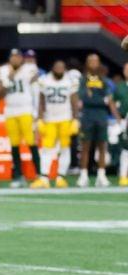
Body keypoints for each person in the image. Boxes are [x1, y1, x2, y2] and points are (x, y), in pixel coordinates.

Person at [0, 49, 41, 188]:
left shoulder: (29, 68)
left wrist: (36, 111)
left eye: (17, 57)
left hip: (25, 109)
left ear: (21, 58)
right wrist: (9, 78)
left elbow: (35, 88)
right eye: (13, 57)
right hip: (10, 110)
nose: (15, 59)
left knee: (31, 142)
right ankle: (18, 176)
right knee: (14, 145)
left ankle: (39, 175)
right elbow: (0, 94)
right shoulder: (4, 70)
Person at [77, 53, 121, 187]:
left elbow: (108, 100)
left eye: (95, 60)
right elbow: (83, 98)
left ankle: (101, 175)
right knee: (86, 145)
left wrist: (118, 117)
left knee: (102, 145)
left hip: (101, 115)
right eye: (90, 60)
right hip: (87, 115)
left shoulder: (104, 80)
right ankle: (83, 175)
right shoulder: (83, 79)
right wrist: (97, 99)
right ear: (87, 63)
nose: (93, 63)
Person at [37, 60, 79, 188]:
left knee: (65, 148)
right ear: (53, 68)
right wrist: (40, 118)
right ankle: (44, 178)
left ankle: (61, 177)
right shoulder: (45, 80)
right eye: (57, 67)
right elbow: (41, 100)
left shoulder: (70, 80)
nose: (60, 69)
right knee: (47, 149)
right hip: (49, 119)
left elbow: (74, 101)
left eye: (62, 67)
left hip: (65, 118)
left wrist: (75, 119)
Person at [111, 62, 128, 186]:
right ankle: (123, 175)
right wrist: (118, 118)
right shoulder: (120, 86)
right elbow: (111, 102)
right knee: (125, 148)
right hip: (125, 119)